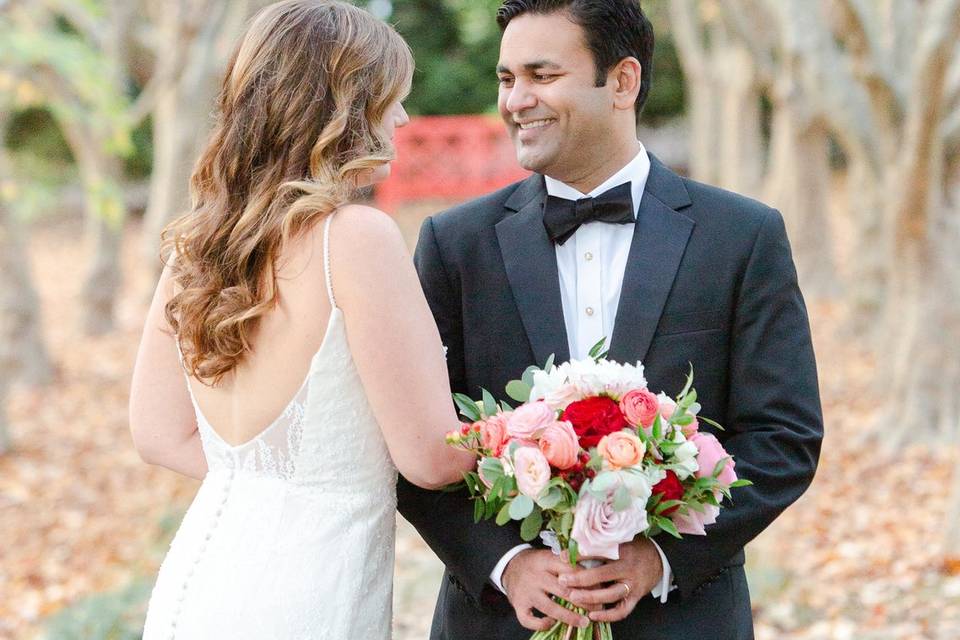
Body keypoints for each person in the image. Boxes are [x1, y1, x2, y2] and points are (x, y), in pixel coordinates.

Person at [396, 1, 824, 638]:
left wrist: (661, 559)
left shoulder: (741, 236)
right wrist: (506, 565)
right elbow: (410, 438)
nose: (516, 100)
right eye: (506, 78)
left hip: (682, 618)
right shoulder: (453, 244)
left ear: (622, 81)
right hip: (495, 621)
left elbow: (784, 436)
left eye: (541, 75)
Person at [129, 2, 475, 638]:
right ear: (345, 107)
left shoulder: (194, 247)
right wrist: (546, 438)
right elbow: (431, 457)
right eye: (391, 97)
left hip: (199, 581)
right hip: (310, 590)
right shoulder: (355, 238)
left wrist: (277, 480)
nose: (402, 117)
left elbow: (157, 434)